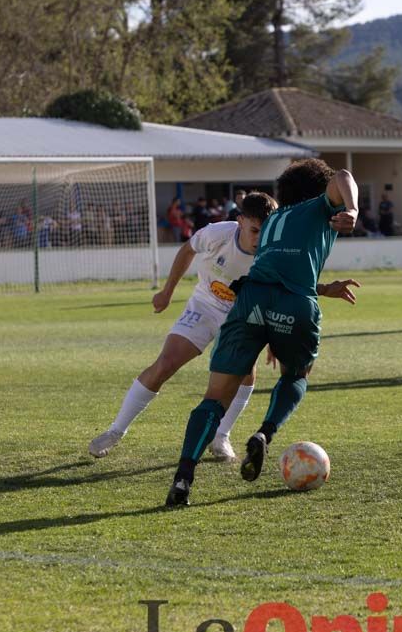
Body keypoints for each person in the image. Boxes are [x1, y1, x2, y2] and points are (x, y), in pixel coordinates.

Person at [165, 159, 360, 507]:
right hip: (294, 303)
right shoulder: (319, 207)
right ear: (319, 190)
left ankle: (183, 478)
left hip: (249, 301)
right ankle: (263, 433)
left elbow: (278, 267)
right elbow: (344, 176)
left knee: (215, 397)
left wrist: (275, 322)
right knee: (296, 374)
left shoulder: (271, 223)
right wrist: (353, 209)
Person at [88, 193, 282, 461]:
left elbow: (277, 292)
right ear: (239, 222)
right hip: (204, 306)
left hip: (241, 316)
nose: (261, 238)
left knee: (246, 374)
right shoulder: (217, 234)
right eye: (255, 230)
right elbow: (187, 250)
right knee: (165, 364)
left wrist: (274, 339)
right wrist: (167, 292)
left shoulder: (274, 252)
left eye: (267, 231)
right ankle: (115, 431)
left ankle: (221, 437)